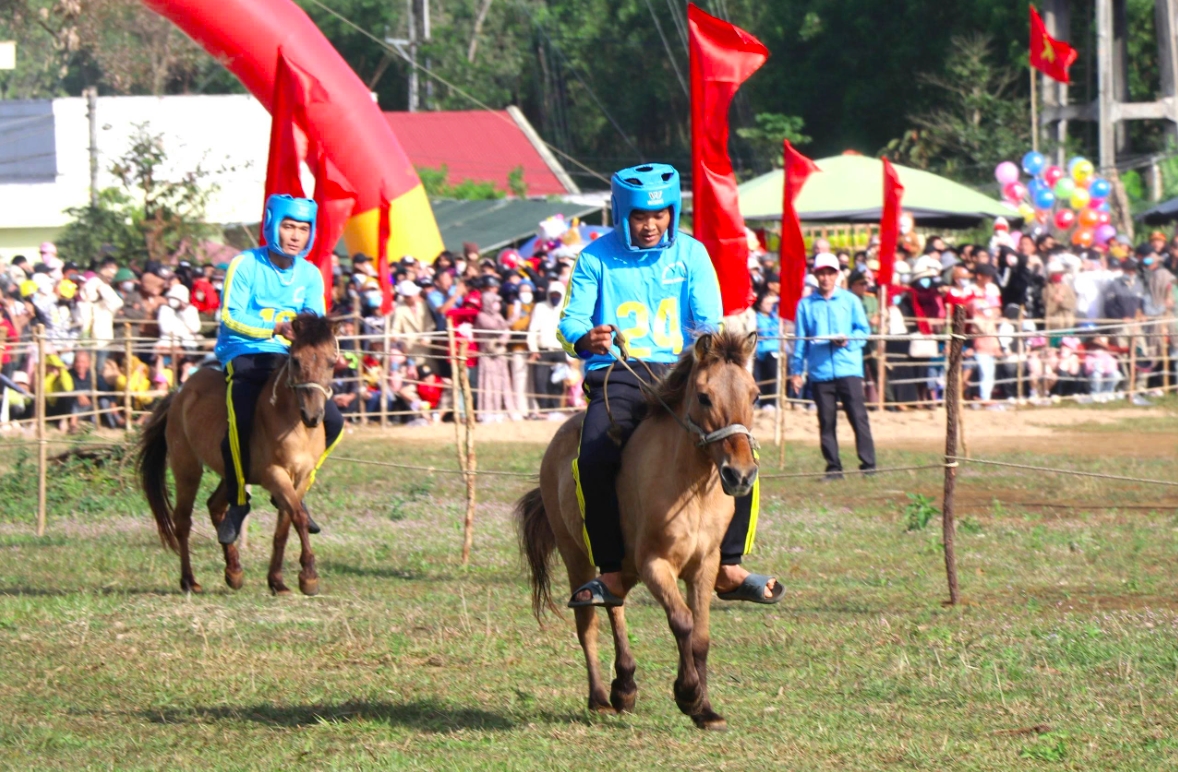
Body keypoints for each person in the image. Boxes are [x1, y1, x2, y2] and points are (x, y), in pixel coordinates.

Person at [559, 163, 780, 608]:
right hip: (617, 374)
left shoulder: (692, 255)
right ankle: (611, 572)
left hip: (680, 375)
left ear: (673, 213)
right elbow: (569, 322)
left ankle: (730, 565)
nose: (650, 225)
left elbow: (707, 322)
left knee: (739, 444)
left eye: (659, 215)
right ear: (623, 213)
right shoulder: (594, 257)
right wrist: (586, 338)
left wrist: (708, 347)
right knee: (595, 453)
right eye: (641, 216)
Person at [214, 194, 345, 545]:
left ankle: (296, 492)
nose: (295, 235)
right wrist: (273, 328)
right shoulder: (244, 264)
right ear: (271, 224)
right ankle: (238, 500)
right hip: (244, 351)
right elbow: (229, 315)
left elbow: (314, 323)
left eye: (303, 229)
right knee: (239, 416)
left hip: (289, 356)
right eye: (288, 226)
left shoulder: (310, 274)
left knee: (334, 421)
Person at [790, 253, 876, 480]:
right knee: (826, 421)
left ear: (837, 275)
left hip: (849, 368)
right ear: (816, 275)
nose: (826, 277)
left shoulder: (851, 301)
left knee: (858, 417)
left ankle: (868, 465)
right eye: (821, 273)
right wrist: (796, 371)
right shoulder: (805, 305)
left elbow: (864, 331)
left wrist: (848, 340)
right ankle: (833, 467)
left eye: (830, 273)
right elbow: (800, 341)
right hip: (820, 372)